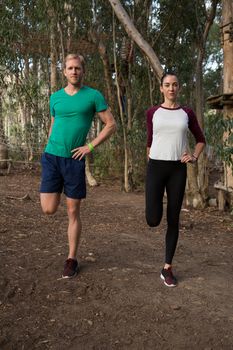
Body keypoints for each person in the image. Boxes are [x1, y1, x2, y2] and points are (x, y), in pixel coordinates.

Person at [40, 53, 116, 279]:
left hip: (75, 160)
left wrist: (89, 147)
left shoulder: (93, 96)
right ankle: (56, 186)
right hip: (52, 157)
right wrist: (47, 147)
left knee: (73, 210)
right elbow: (54, 124)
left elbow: (110, 125)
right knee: (49, 209)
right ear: (64, 71)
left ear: (83, 71)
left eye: (78, 68)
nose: (74, 71)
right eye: (70, 68)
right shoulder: (55, 98)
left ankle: (71, 258)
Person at [145, 72, 206, 287]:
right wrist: (151, 159)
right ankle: (156, 208)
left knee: (173, 218)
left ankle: (167, 267)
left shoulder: (186, 113)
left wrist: (193, 156)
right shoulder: (152, 112)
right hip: (156, 167)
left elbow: (200, 140)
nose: (171, 88)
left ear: (179, 88)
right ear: (161, 88)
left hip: (177, 170)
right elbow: (150, 140)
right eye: (167, 85)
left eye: (175, 85)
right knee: (153, 219)